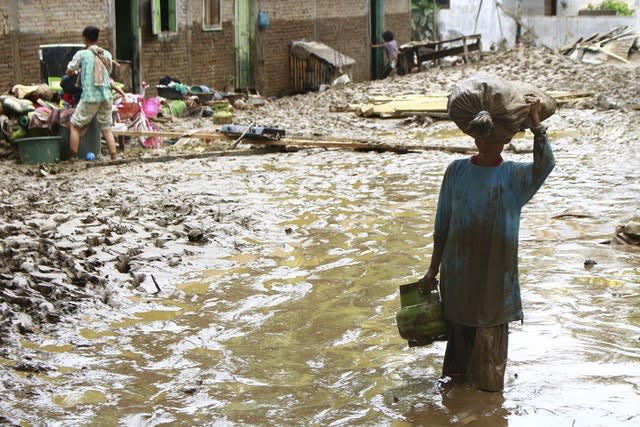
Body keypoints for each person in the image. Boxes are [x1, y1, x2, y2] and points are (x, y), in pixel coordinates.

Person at [421, 94, 555, 392]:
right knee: (456, 362)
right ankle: (458, 409)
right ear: (474, 137)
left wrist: (537, 127)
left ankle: (486, 409)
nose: (486, 144)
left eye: (494, 139)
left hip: (496, 279)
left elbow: (545, 165)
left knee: (489, 366)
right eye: (482, 137)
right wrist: (432, 271)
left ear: (505, 140)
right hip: (458, 276)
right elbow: (441, 226)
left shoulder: (514, 176)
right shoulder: (456, 171)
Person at [65, 25, 118, 160]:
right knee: (106, 128)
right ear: (97, 38)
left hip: (90, 96)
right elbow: (109, 71)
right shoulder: (106, 54)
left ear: (84, 39)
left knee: (75, 125)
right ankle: (113, 156)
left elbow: (69, 69)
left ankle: (73, 157)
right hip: (106, 95)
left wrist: (72, 73)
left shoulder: (82, 54)